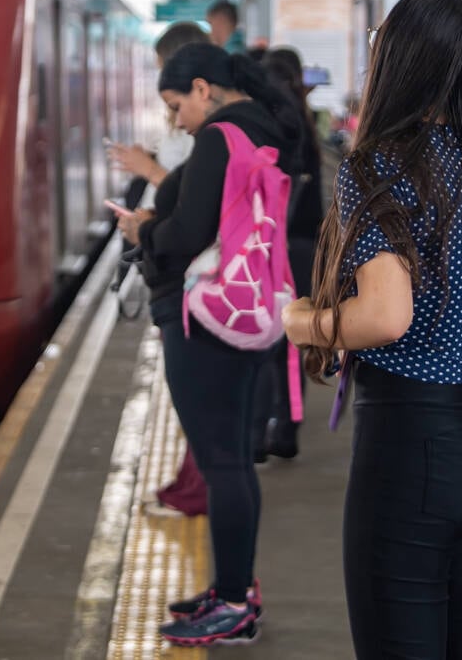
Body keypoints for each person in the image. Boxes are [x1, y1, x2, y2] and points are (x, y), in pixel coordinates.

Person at [282, 0, 462, 659]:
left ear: (399, 60)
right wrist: (457, 328)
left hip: (412, 450)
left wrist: (301, 321)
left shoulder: (379, 163)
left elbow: (383, 316)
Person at [118, 42, 302, 646]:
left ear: (203, 88)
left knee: (222, 463)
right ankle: (233, 589)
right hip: (249, 310)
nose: (176, 120)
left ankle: (233, 604)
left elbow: (189, 230)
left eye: (176, 105)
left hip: (206, 319)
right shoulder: (264, 131)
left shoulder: (221, 136)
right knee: (232, 462)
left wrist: (145, 229)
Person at [107, 21, 209, 520]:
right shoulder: (198, 127)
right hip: (172, 261)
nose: (176, 116)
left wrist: (148, 174)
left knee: (195, 388)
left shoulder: (209, 131)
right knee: (188, 387)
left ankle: (198, 486)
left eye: (174, 103)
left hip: (188, 269)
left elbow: (197, 200)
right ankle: (192, 480)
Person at [250, 46, 327, 461]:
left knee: (267, 342)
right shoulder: (307, 122)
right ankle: (287, 428)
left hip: (278, 248)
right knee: (291, 341)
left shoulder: (276, 126)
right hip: (305, 248)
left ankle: (263, 431)